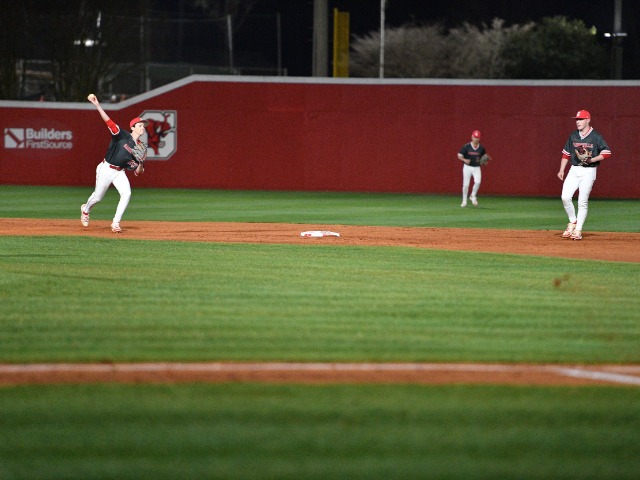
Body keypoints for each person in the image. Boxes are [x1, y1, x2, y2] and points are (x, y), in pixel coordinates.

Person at [80, 95, 147, 233]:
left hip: (119, 172)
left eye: (143, 126)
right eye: (140, 125)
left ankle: (116, 223)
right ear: (132, 127)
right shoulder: (122, 135)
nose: (143, 128)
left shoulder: (140, 147)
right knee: (98, 197)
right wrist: (97, 105)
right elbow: (108, 122)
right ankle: (85, 210)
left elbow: (138, 172)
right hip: (106, 168)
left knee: (127, 193)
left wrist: (141, 162)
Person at [557, 110, 611, 241]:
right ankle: (573, 222)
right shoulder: (573, 135)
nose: (578, 122)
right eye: (577, 119)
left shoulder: (595, 136)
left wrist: (592, 160)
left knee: (582, 201)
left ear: (588, 120)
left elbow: (607, 152)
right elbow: (566, 154)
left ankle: (578, 230)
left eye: (581, 119)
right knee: (565, 197)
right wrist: (561, 170)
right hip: (574, 169)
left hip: (588, 171)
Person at [457, 129, 487, 207]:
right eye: (475, 137)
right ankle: (464, 201)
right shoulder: (466, 146)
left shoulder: (481, 148)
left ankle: (473, 195)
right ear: (472, 137)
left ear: (479, 138)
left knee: (478, 182)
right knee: (466, 185)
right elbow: (459, 155)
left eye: (477, 138)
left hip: (476, 167)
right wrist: (464, 160)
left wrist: (484, 161)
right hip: (467, 167)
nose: (476, 139)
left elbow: (484, 157)